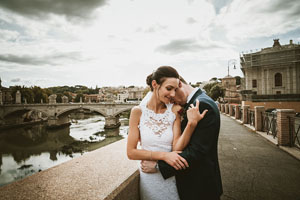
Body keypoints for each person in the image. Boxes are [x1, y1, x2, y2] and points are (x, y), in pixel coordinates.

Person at [127, 66, 207, 200]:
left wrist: (191, 124)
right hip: (149, 177)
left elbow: (177, 147)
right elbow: (131, 152)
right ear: (155, 85)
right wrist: (164, 156)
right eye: (169, 88)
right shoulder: (137, 112)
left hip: (170, 177)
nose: (173, 94)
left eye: (175, 90)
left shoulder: (175, 110)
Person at [141, 77, 223, 200]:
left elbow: (197, 151)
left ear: (179, 84)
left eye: (172, 97)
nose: (171, 102)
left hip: (199, 187)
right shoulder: (198, 100)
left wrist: (159, 166)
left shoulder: (201, 104)